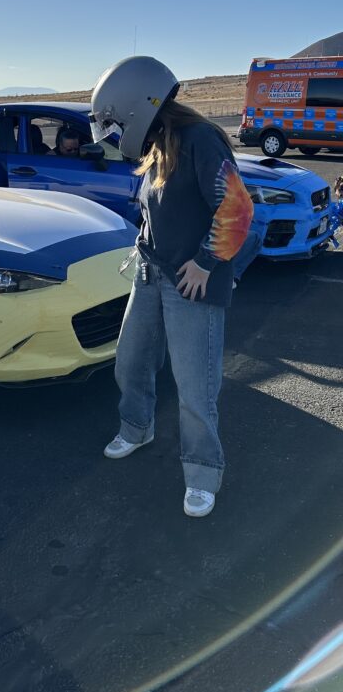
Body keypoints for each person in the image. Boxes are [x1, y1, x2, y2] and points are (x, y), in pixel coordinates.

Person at [91, 56, 254, 518]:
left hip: (191, 284)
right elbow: (156, 212)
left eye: (116, 121)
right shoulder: (161, 144)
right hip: (150, 272)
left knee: (195, 387)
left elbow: (237, 211)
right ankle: (136, 427)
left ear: (138, 106)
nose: (115, 131)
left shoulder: (201, 140)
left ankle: (203, 471)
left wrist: (205, 262)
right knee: (131, 361)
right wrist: (144, 245)